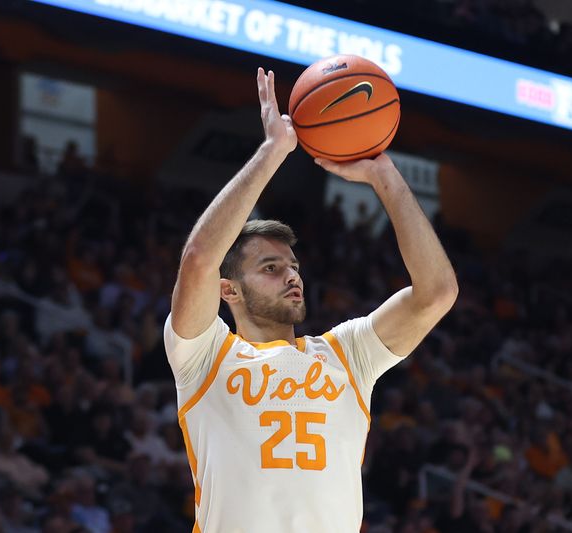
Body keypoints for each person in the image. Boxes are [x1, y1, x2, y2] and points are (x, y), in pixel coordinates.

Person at [163, 67, 459, 532]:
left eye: (294, 267)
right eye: (270, 268)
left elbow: (437, 293)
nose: (291, 276)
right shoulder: (205, 356)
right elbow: (200, 258)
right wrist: (272, 151)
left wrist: (384, 175)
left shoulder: (347, 354)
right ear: (229, 289)